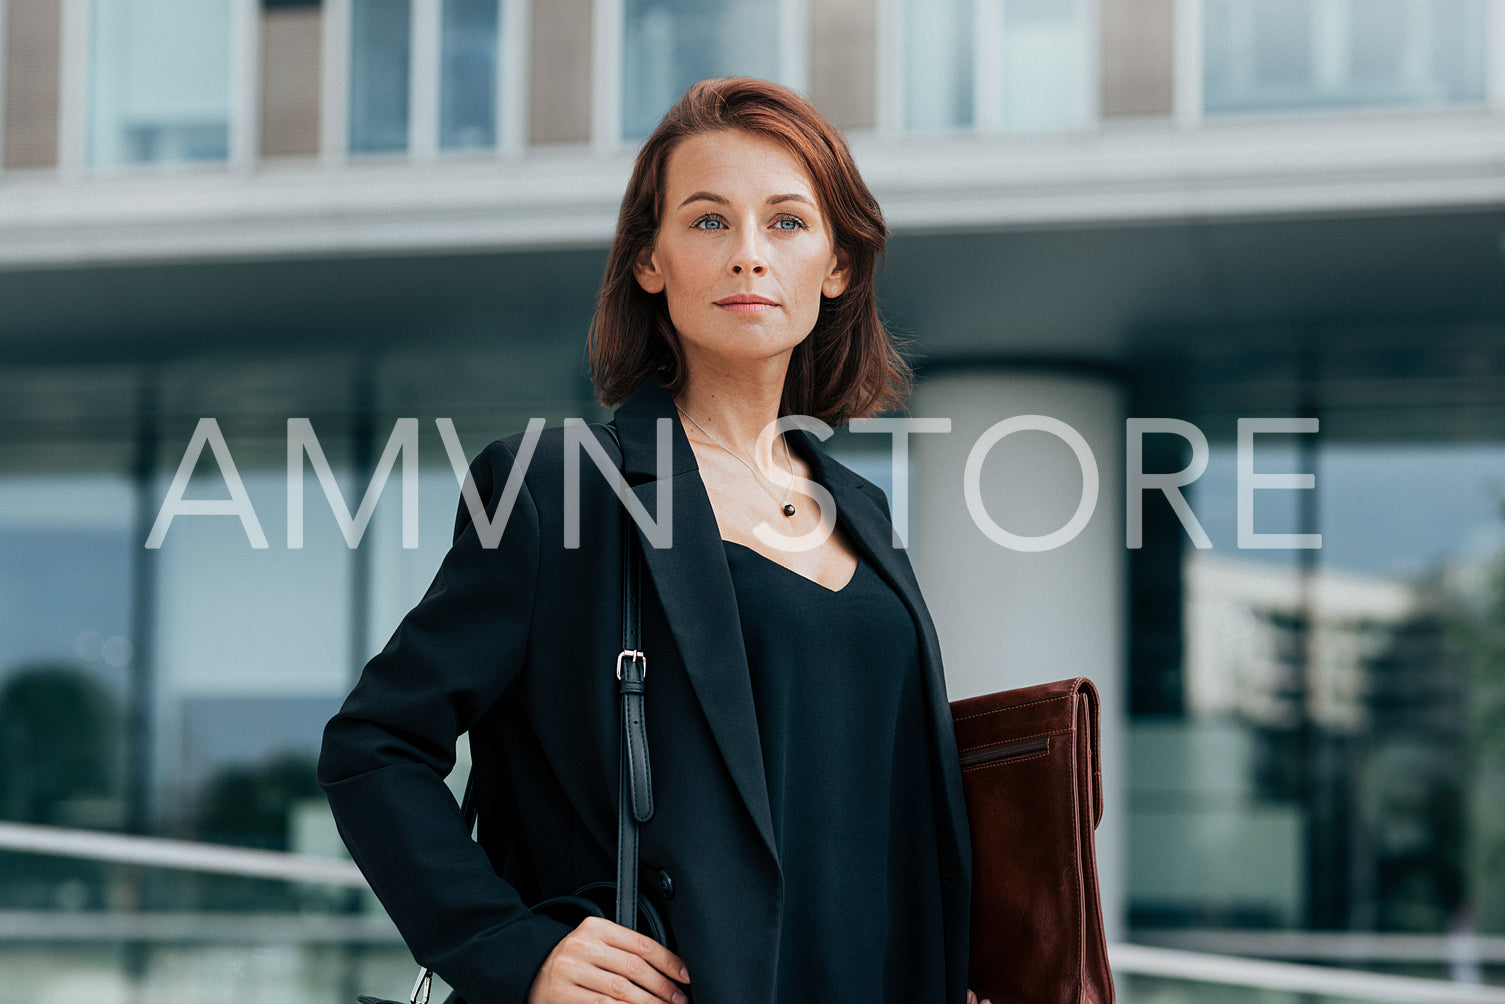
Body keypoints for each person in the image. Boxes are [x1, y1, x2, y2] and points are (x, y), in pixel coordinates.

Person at [319, 77, 987, 1004]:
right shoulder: (558, 487)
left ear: (837, 265)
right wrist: (512, 947)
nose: (749, 255)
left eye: (787, 223)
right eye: (709, 222)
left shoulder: (862, 511)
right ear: (649, 260)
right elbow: (373, 745)